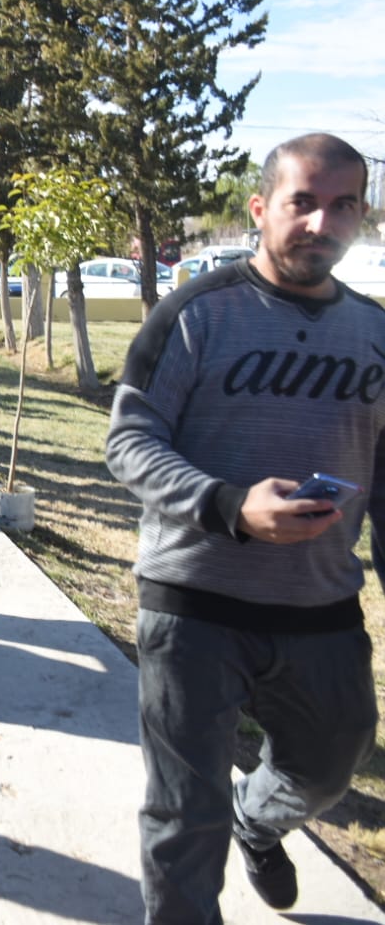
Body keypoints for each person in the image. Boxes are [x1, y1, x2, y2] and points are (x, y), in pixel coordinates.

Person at [106, 133, 383, 923]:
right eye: (302, 201)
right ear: (260, 209)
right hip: (193, 602)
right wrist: (229, 506)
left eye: (341, 206)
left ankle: (255, 819)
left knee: (331, 764)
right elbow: (127, 441)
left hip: (319, 605)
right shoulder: (195, 314)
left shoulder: (374, 331)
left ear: (359, 217)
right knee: (180, 817)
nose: (318, 222)